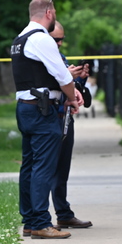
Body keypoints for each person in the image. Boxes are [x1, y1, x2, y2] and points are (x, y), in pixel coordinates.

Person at [12, 0, 80, 239]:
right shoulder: (42, 38)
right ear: (49, 13)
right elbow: (63, 77)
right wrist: (72, 97)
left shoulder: (20, 40)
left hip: (26, 108)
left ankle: (30, 220)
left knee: (29, 166)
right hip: (42, 111)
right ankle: (41, 223)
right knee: (43, 166)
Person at [49, 21, 93, 229]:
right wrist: (67, 76)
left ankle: (63, 213)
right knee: (47, 168)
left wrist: (80, 80)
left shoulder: (60, 57)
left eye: (61, 40)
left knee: (62, 167)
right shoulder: (42, 56)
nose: (58, 44)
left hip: (65, 115)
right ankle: (37, 218)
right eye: (55, 39)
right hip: (49, 116)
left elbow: (69, 87)